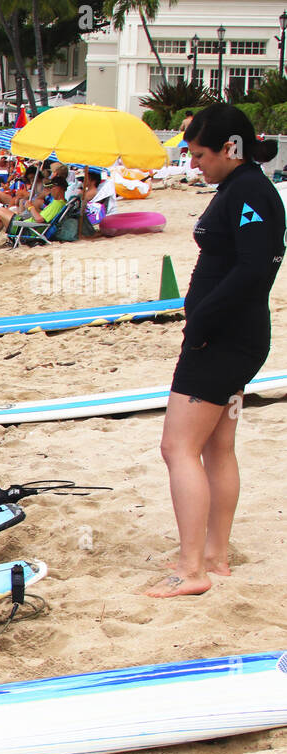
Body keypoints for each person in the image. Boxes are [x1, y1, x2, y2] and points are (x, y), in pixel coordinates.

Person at [146, 104, 284, 598]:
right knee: (216, 446)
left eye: (200, 154)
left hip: (222, 340)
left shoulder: (250, 191)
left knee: (176, 447)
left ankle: (190, 570)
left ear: (231, 148)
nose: (193, 163)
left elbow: (255, 269)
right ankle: (214, 557)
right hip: (233, 337)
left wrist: (201, 322)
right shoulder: (240, 188)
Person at [0, 174, 68, 249]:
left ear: (58, 188)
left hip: (27, 229)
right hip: (29, 226)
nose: (50, 190)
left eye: (51, 187)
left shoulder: (57, 204)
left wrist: (30, 207)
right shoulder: (61, 203)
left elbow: (39, 219)